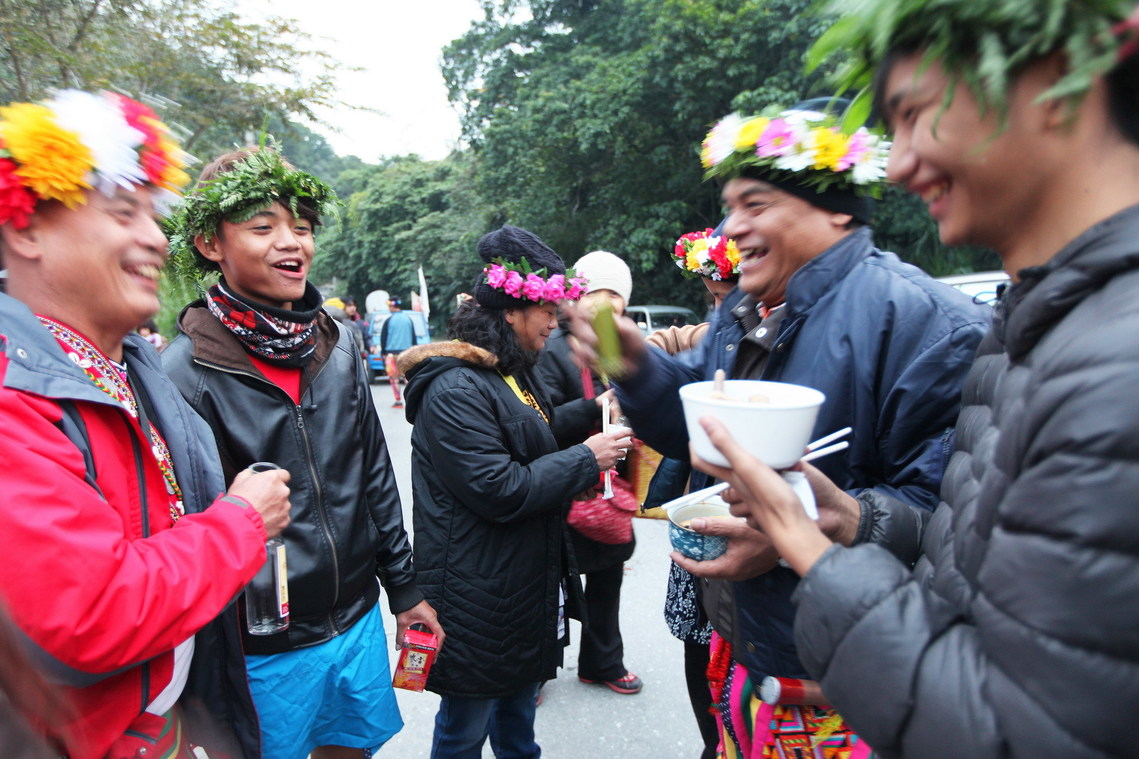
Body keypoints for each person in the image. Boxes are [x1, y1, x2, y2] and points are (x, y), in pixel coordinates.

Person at [692, 2, 1139, 757]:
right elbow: (968, 563)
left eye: (916, 113)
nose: (897, 164)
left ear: (1058, 83)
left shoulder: (1112, 361)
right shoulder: (1027, 330)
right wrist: (848, 517)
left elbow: (1018, 727)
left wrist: (806, 549)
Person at [569, 104, 990, 756]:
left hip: (850, 678)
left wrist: (810, 530)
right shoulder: (744, 311)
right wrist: (636, 369)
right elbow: (696, 429)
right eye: (730, 207)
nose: (731, 228)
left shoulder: (929, 325)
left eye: (755, 204)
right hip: (747, 642)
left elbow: (951, 527)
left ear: (836, 211)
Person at [0, 90, 291, 759]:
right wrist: (243, 521)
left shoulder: (128, 363)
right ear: (27, 231)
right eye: (122, 212)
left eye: (153, 216)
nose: (156, 238)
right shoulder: (14, 395)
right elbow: (89, 611)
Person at [163, 145, 442, 759]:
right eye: (263, 227)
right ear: (210, 243)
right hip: (262, 646)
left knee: (352, 750)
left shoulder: (336, 345)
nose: (292, 242)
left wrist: (403, 589)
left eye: (303, 226)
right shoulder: (182, 373)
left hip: (357, 616)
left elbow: (374, 474)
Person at [398, 225, 632, 758]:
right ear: (509, 312)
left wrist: (594, 410)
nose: (554, 322)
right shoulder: (455, 387)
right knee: (465, 731)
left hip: (520, 583)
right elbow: (498, 487)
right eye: (546, 311)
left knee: (518, 726)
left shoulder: (508, 373)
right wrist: (587, 458)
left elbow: (531, 432)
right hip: (475, 591)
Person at [641, 225, 742, 759]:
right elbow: (669, 344)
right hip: (702, 511)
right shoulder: (718, 332)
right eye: (713, 298)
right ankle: (712, 745)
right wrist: (631, 355)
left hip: (750, 528)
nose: (721, 309)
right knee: (696, 640)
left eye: (727, 297)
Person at [535, 249, 643, 696]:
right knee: (547, 584)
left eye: (615, 297)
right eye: (596, 294)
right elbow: (538, 424)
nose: (605, 306)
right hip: (562, 487)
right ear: (575, 298)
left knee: (608, 578)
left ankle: (602, 663)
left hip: (608, 486)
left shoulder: (618, 347)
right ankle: (535, 671)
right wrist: (591, 407)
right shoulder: (551, 347)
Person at [380, 297, 415, 406]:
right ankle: (411, 401)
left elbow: (383, 338)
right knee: (407, 378)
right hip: (407, 354)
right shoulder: (408, 319)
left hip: (391, 354)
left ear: (392, 305)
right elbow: (413, 338)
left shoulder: (389, 320)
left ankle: (398, 401)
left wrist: (383, 353)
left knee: (394, 379)